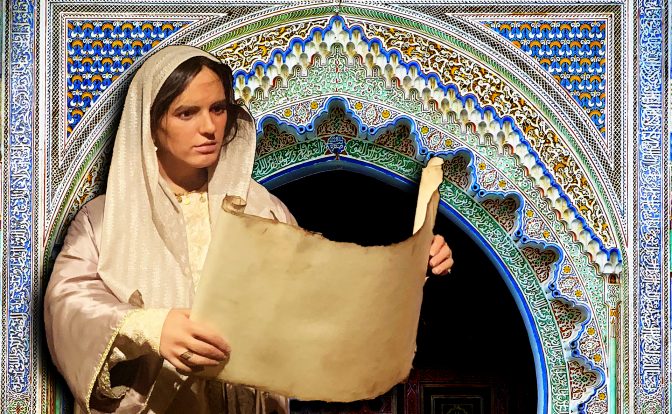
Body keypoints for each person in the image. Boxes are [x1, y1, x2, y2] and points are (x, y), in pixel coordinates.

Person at [44, 45, 454, 414]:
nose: (209, 128)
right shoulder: (105, 218)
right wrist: (151, 328)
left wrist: (409, 270)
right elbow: (67, 305)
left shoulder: (261, 210)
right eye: (187, 113)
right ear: (151, 125)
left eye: (218, 109)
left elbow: (318, 304)